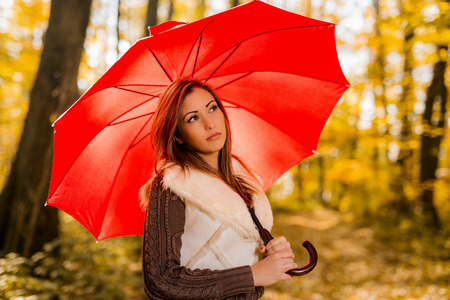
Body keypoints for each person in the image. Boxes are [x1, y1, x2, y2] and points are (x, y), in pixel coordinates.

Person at [140, 78, 297, 299]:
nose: (210, 123)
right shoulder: (172, 185)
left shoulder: (241, 178)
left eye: (212, 108)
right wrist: (253, 275)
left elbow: (234, 257)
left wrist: (272, 254)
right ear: (178, 136)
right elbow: (162, 280)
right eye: (193, 118)